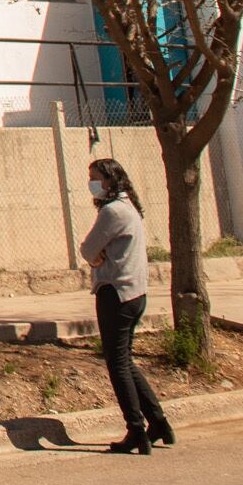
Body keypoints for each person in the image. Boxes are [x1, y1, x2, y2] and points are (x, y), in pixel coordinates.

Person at [82, 157, 173, 455]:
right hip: (134, 294)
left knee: (117, 363)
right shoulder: (128, 206)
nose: (92, 183)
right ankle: (157, 422)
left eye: (95, 177)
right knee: (125, 360)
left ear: (109, 180)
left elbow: (87, 248)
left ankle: (136, 429)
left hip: (116, 294)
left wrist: (95, 257)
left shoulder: (112, 212)